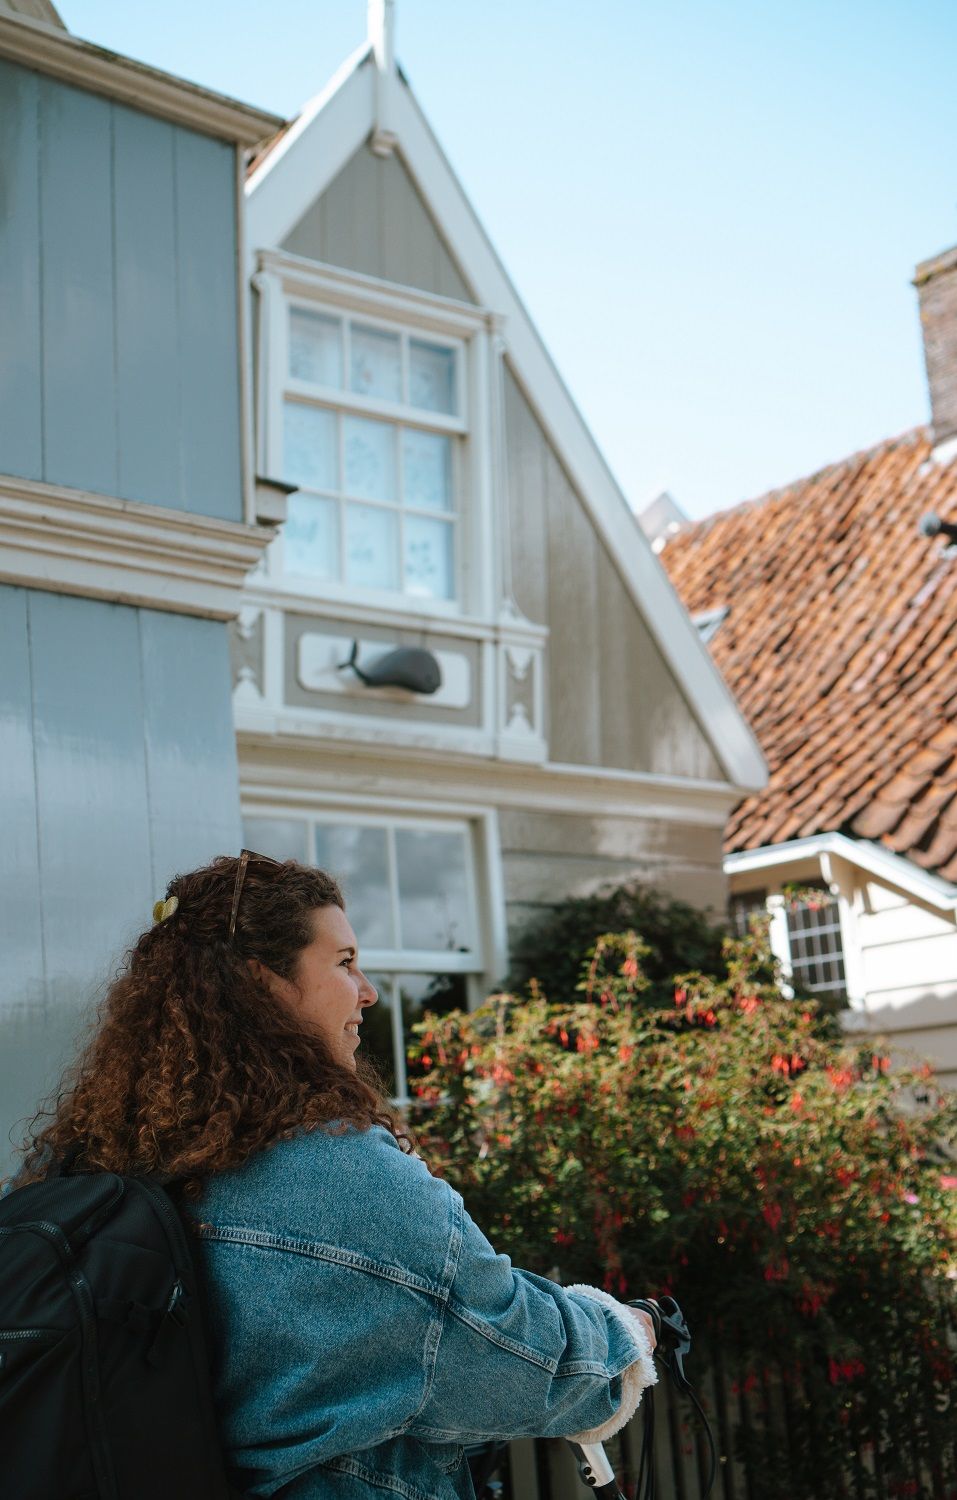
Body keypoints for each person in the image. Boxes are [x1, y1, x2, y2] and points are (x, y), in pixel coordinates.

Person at [13, 852, 658, 1500]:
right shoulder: (342, 1180)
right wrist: (624, 1331)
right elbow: (526, 1358)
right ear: (263, 985)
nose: (368, 990)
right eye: (344, 963)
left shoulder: (100, 1160)